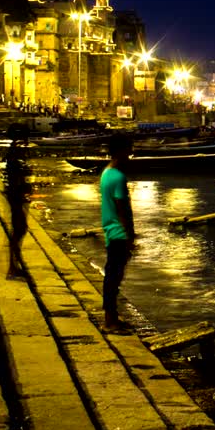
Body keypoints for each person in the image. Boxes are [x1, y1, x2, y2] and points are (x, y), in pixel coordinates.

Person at [100, 133, 136, 331]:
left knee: (112, 277)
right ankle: (110, 322)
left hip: (110, 231)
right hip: (118, 234)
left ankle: (111, 316)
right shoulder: (118, 177)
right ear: (121, 151)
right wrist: (130, 236)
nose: (131, 153)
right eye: (128, 149)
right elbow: (123, 210)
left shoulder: (106, 173)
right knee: (114, 278)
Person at [4, 127, 30, 279]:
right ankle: (13, 267)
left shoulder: (14, 152)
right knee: (19, 230)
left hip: (16, 196)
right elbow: (16, 177)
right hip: (16, 196)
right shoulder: (14, 154)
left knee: (19, 230)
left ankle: (15, 264)